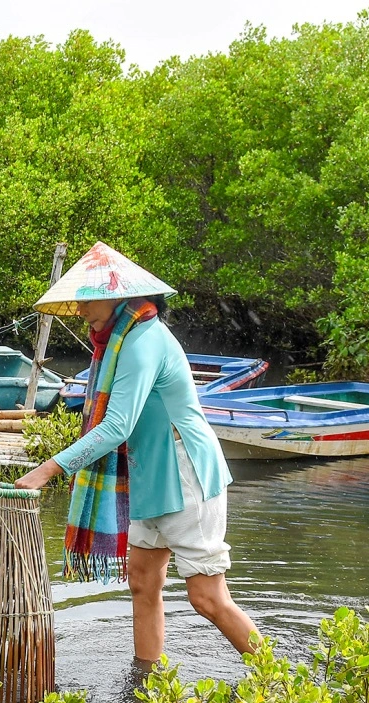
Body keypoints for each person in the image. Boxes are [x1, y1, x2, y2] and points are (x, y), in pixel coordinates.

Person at [14, 242, 258, 664]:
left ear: (117, 296)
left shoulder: (144, 340)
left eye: (89, 299)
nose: (81, 308)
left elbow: (117, 426)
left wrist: (48, 469)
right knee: (143, 582)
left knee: (207, 597)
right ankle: (146, 686)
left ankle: (283, 684)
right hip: (148, 475)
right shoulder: (116, 342)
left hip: (185, 473)